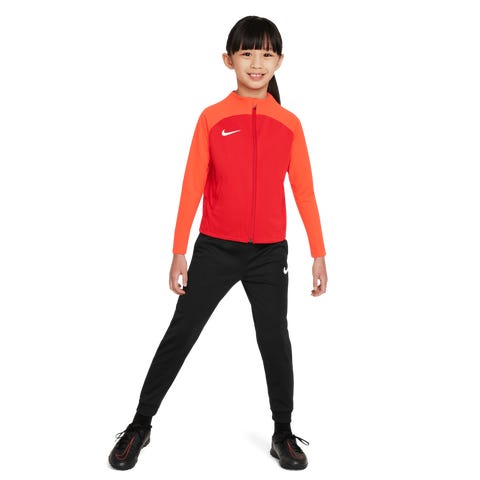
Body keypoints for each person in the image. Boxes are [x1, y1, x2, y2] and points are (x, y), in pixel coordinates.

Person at [108, 15, 328, 471]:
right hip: (215, 249)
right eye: (247, 53)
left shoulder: (289, 123)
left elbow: (304, 192)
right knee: (181, 333)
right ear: (228, 60)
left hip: (269, 254)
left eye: (266, 54)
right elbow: (192, 185)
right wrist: (178, 250)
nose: (256, 63)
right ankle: (140, 425)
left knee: (275, 340)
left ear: (280, 61)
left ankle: (283, 433)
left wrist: (319, 254)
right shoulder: (212, 118)